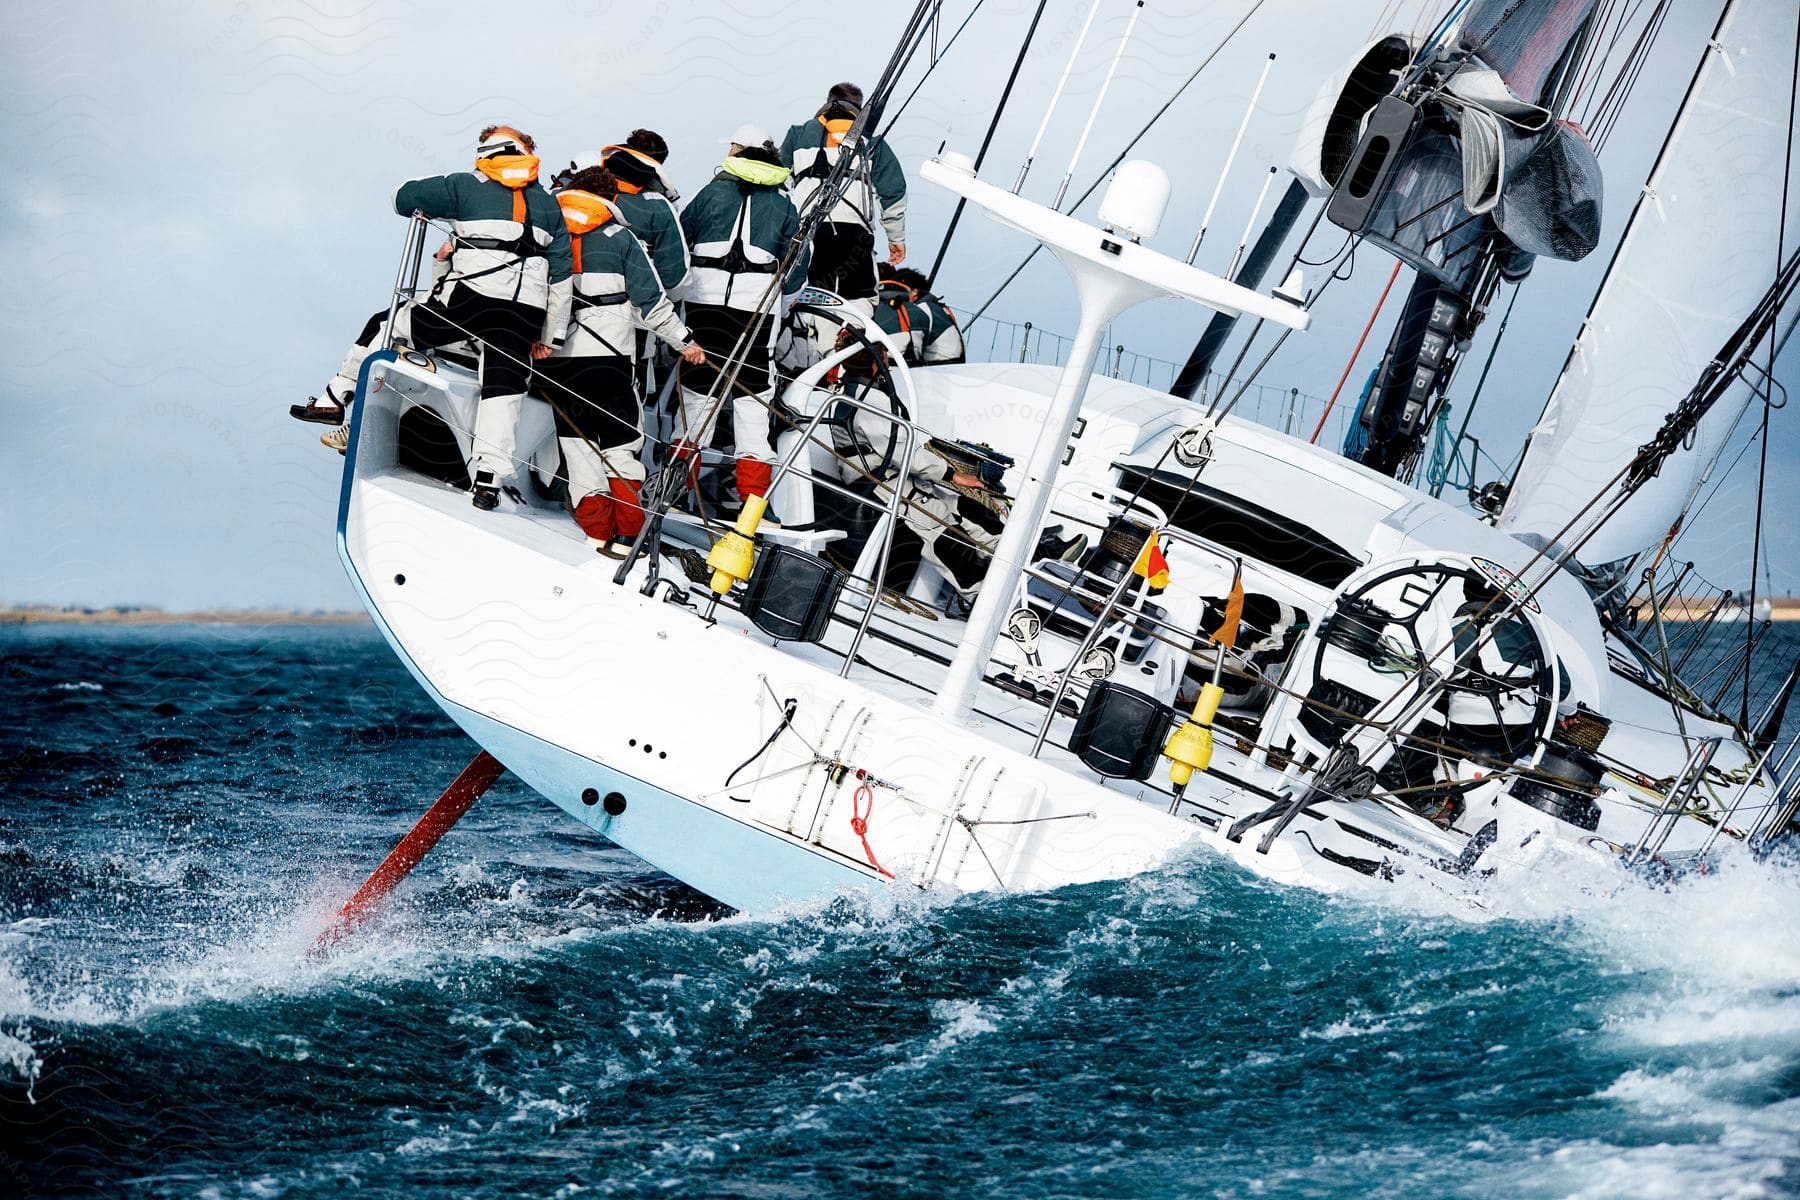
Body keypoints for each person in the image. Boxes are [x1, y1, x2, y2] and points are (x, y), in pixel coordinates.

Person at [296, 125, 573, 509]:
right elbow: (561, 276)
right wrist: (551, 336)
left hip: (468, 304)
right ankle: (489, 481)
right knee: (503, 387)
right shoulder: (549, 206)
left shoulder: (464, 185)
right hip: (524, 315)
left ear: (486, 152)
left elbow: (402, 197)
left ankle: (333, 399)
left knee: (387, 323)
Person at [540, 166, 705, 552]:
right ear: (611, 199)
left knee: (579, 451)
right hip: (609, 361)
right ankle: (629, 537)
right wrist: (687, 343)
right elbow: (652, 303)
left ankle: (597, 535)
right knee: (621, 447)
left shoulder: (547, 234)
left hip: (558, 362)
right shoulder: (621, 238)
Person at [676, 125, 810, 512]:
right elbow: (798, 262)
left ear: (740, 152)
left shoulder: (711, 192)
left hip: (703, 301)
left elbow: (681, 241)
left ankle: (675, 485)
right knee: (754, 398)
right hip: (756, 308)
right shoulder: (784, 204)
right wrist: (783, 305)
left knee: (699, 390)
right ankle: (752, 503)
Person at [779, 82, 907, 302]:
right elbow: (893, 191)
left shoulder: (797, 135)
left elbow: (779, 185)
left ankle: (806, 330)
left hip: (808, 232)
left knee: (801, 298)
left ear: (828, 102)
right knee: (861, 301)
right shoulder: (873, 143)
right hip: (854, 234)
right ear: (858, 107)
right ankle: (849, 331)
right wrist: (896, 238)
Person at [600, 132, 689, 296]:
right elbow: (675, 278)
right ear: (659, 164)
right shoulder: (659, 206)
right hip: (642, 304)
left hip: (584, 301)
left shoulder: (586, 189)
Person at [889, 267, 965, 365]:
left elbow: (913, 347)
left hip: (937, 367)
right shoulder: (936, 307)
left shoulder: (922, 309)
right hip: (953, 365)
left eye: (899, 290)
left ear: (914, 292)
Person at [868, 268, 932, 365]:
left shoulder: (870, 308)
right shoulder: (920, 312)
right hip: (908, 367)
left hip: (874, 365)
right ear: (914, 291)